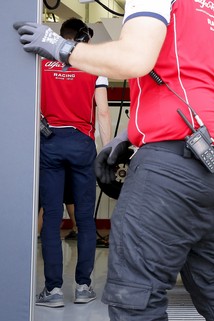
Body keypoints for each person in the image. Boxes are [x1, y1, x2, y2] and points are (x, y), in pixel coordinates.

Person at [14, 1, 214, 320]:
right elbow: (189, 78)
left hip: (174, 164)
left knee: (134, 295)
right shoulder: (208, 8)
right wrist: (132, 133)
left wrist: (61, 47)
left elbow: (134, 58)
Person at [26, 18, 111, 308]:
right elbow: (102, 113)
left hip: (49, 142)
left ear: (60, 37)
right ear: (84, 38)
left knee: (52, 217)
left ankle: (53, 291)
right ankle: (83, 287)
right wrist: (107, 152)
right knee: (85, 219)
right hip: (81, 144)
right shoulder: (93, 65)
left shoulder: (41, 64)